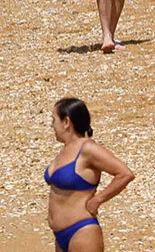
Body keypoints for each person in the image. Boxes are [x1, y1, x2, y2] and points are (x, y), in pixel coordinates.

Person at [45, 97, 133, 252]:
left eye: (54, 120)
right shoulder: (66, 149)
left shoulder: (88, 149)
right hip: (60, 235)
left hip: (82, 231)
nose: (52, 125)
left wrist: (97, 200)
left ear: (66, 122)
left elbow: (125, 174)